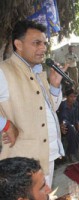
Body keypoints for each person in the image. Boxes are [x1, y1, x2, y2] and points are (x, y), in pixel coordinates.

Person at [0, 20, 67, 187]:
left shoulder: (38, 72)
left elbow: (51, 109)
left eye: (44, 43)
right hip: (22, 163)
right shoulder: (4, 71)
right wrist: (5, 125)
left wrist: (54, 86)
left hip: (47, 154)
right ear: (18, 44)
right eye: (36, 43)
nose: (43, 48)